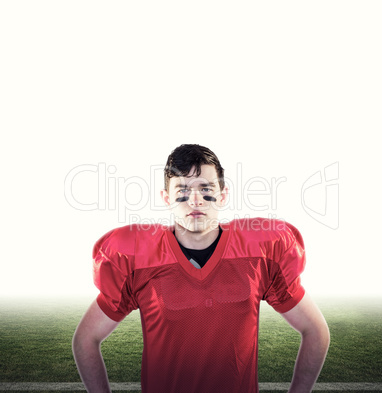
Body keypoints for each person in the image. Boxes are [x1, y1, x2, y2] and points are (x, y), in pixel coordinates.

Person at [72, 144, 330, 393]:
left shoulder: (260, 253)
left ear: (223, 195)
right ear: (166, 198)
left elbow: (316, 331)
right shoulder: (137, 259)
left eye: (205, 189)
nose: (195, 201)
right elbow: (86, 340)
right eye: (182, 191)